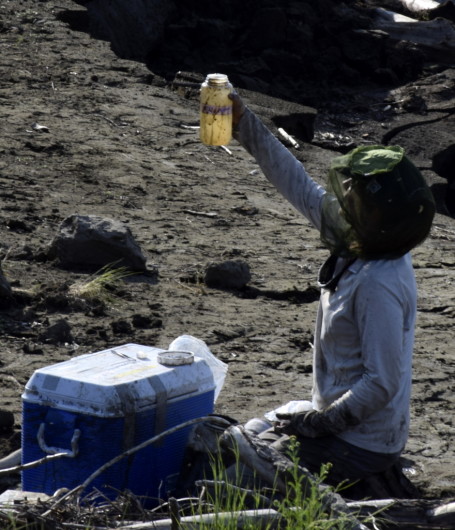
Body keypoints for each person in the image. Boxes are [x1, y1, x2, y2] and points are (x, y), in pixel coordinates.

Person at [227, 91, 436, 494]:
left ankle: (365, 483)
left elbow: (381, 383)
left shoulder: (379, 282)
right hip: (336, 419)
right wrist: (242, 122)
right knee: (242, 436)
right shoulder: (365, 240)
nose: (347, 197)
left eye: (357, 195)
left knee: (238, 474)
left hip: (362, 441)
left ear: (378, 212)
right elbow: (298, 185)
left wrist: (321, 424)